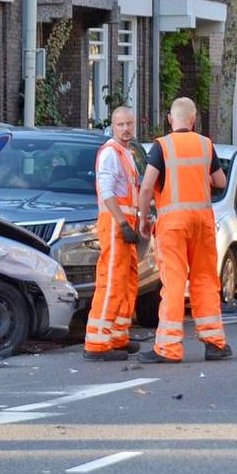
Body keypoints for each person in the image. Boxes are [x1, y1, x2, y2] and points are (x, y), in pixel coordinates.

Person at [136, 97, 231, 364]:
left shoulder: (161, 147)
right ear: (194, 119)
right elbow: (220, 181)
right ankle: (215, 343)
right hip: (202, 222)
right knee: (205, 280)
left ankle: (168, 348)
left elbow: (146, 187)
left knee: (174, 282)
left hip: (173, 224)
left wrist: (144, 217)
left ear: (170, 119)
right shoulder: (205, 145)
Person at [83, 106, 142, 362]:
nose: (126, 129)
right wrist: (123, 223)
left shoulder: (126, 154)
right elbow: (106, 192)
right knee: (112, 282)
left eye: (129, 124)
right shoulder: (110, 153)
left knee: (127, 281)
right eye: (121, 125)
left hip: (124, 223)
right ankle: (97, 344)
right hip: (115, 223)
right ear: (112, 127)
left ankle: (117, 336)